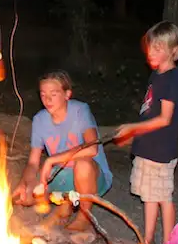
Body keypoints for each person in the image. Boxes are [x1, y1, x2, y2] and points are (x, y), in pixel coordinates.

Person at [12, 71, 113, 232]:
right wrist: (23, 183)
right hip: (61, 175)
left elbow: (92, 147)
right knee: (26, 196)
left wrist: (51, 160)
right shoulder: (39, 119)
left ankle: (84, 216)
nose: (47, 99)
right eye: (43, 94)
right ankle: (64, 204)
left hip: (91, 176)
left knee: (83, 165)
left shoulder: (80, 110)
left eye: (54, 94)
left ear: (67, 94)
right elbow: (32, 162)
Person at [114, 21, 178, 244]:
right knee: (149, 196)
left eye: (158, 48)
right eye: (150, 47)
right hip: (148, 147)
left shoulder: (172, 79)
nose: (151, 53)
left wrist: (133, 128)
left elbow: (165, 118)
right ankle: (148, 239)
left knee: (163, 197)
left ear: (174, 51)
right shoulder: (157, 75)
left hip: (161, 150)